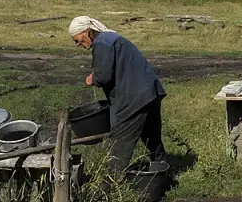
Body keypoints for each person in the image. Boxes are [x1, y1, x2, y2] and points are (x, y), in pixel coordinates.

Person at [68, 15, 167, 174]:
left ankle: (111, 183)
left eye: (77, 40)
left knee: (120, 141)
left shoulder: (102, 44)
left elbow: (104, 76)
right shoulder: (111, 38)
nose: (77, 44)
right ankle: (161, 172)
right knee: (151, 137)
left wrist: (93, 78)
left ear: (86, 31)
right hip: (150, 93)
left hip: (133, 98)